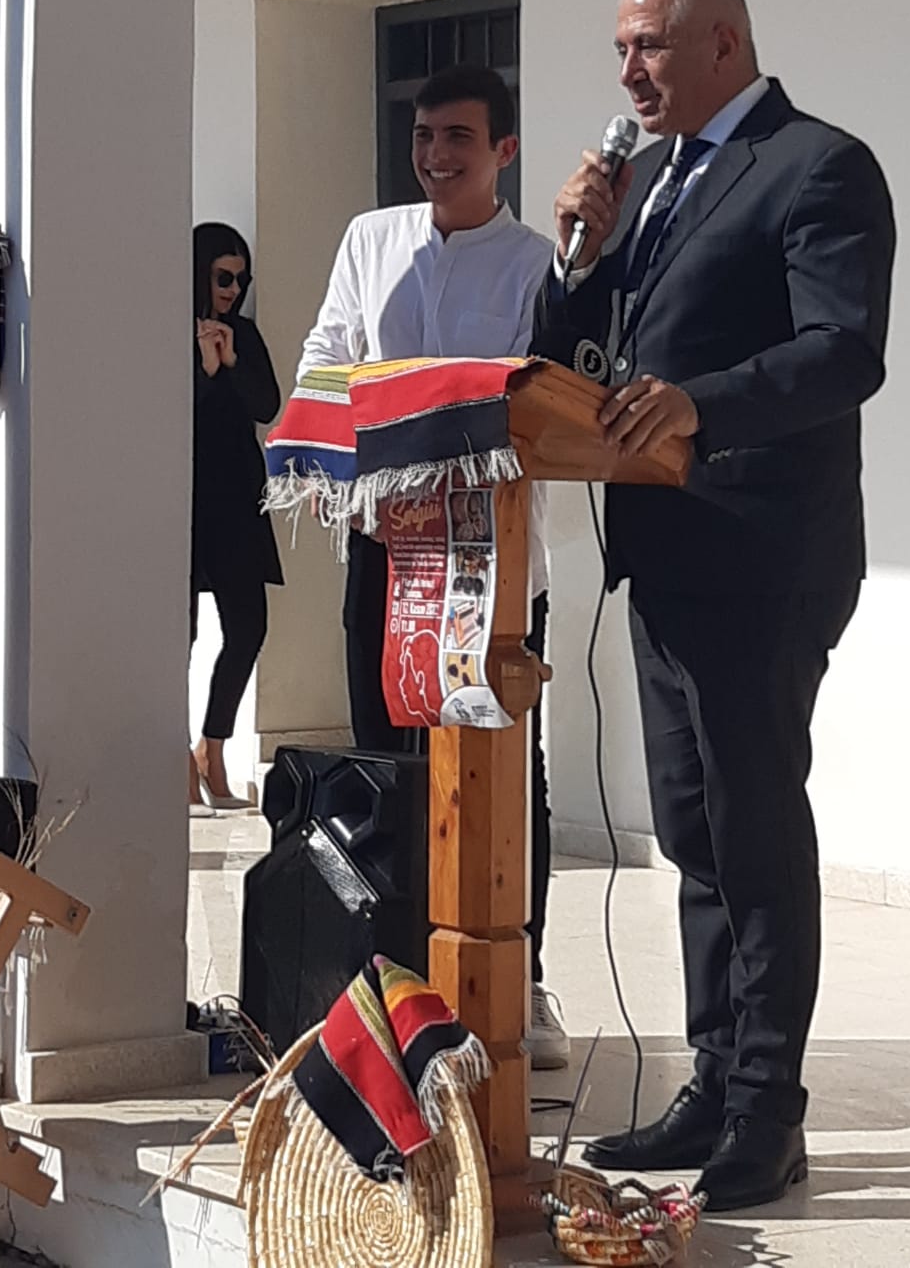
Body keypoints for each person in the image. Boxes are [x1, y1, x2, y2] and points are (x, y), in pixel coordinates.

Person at [534, 0, 895, 1210]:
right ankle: (711, 1079)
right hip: (666, 552)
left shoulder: (817, 166)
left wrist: (702, 405)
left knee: (753, 828)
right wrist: (579, 257)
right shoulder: (647, 184)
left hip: (765, 554)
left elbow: (843, 352)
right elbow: (577, 354)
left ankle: (767, 1112)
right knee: (691, 834)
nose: (627, 71)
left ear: (723, 42)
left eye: (648, 44)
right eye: (620, 49)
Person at [299, 62, 569, 1070]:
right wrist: (343, 469)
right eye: (422, 135)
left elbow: (533, 397)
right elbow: (327, 359)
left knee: (504, 774)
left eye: (458, 136)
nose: (435, 155)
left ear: (503, 149)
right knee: (388, 765)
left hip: (490, 567)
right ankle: (397, 979)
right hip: (382, 550)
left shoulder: (537, 266)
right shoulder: (371, 241)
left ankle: (521, 982)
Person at [191, 222, 284, 814]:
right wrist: (202, 369)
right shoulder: (162, 328)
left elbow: (267, 404)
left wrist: (228, 360)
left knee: (248, 626)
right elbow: (169, 412)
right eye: (223, 277)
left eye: (240, 280)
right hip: (183, 498)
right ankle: (172, 756)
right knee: (176, 635)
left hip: (236, 498)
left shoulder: (242, 333)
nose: (232, 290)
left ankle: (212, 746)